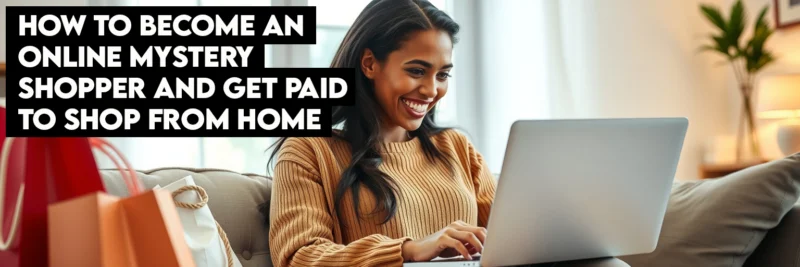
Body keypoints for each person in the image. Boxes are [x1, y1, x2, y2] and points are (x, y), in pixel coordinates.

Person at [265, 0, 629, 266]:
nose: (431, 90)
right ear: (370, 63)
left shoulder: (455, 147)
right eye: (416, 70)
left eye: (442, 75)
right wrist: (411, 250)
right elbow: (299, 256)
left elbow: (513, 237)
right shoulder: (309, 149)